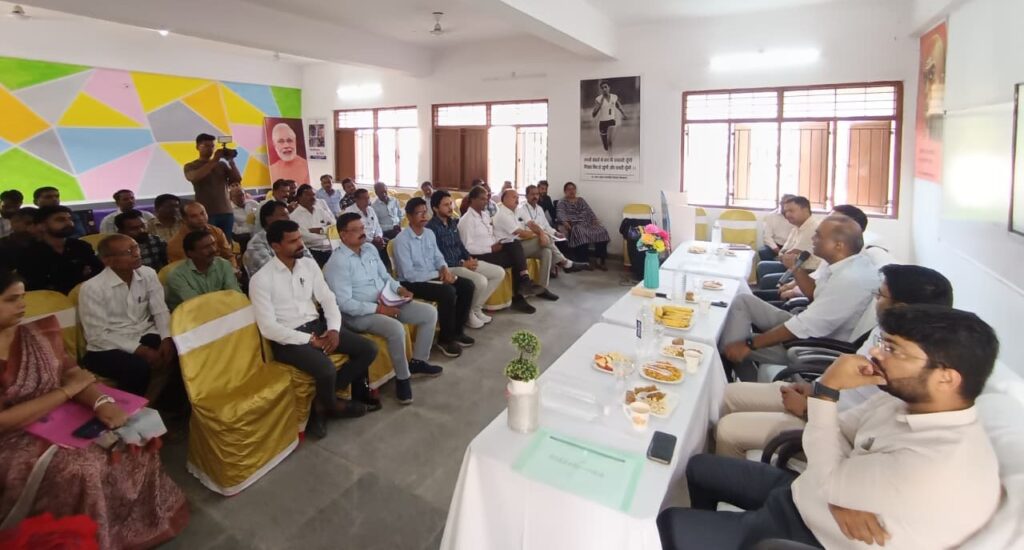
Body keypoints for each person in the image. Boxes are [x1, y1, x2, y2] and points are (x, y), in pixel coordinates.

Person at [658, 305, 1002, 550]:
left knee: (669, 522)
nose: (876, 354)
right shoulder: (903, 402)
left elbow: (831, 459)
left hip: (807, 535)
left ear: (946, 378)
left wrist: (827, 392)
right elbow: (839, 431)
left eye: (893, 350)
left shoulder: (937, 463)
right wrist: (839, 495)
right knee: (698, 467)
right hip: (807, 496)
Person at [0, 268, 189, 549]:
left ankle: (137, 524)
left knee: (134, 434)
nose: (22, 306)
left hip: (60, 414)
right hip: (13, 436)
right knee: (84, 468)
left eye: (22, 297)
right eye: (11, 299)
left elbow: (72, 373)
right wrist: (65, 392)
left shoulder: (37, 333)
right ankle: (89, 538)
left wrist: (101, 402)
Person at [715, 264, 954, 459]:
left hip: (831, 426)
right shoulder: (886, 330)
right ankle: (713, 465)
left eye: (880, 295)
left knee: (729, 430)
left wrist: (809, 408)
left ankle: (731, 484)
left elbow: (863, 427)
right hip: (820, 398)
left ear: (900, 308)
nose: (874, 300)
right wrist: (814, 389)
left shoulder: (913, 365)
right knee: (727, 394)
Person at [249, 220, 379, 439]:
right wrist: (310, 340)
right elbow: (269, 328)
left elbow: (327, 299)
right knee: (326, 369)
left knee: (368, 349)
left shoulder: (308, 266)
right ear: (276, 246)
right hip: (288, 338)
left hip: (317, 326)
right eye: (292, 241)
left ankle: (322, 402)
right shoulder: (261, 279)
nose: (300, 244)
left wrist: (334, 329)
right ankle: (331, 407)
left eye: (300, 238)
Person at [719, 215, 878, 381]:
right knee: (743, 301)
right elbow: (814, 294)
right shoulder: (841, 264)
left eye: (818, 236)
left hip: (814, 345)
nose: (813, 239)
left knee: (730, 341)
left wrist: (750, 344)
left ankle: (743, 384)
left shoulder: (850, 280)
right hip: (807, 323)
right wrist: (796, 268)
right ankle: (745, 379)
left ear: (838, 245)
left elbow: (806, 325)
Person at [325, 213, 442, 405]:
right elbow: (345, 304)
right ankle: (403, 379)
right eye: (356, 230)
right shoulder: (337, 263)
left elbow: (385, 276)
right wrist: (379, 309)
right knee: (395, 329)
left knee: (429, 313)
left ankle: (418, 362)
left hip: (387, 300)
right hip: (358, 314)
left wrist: (399, 289)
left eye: (362, 228)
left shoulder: (369, 249)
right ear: (343, 235)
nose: (362, 233)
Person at [79, 234, 176, 399]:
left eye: (136, 247)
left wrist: (167, 338)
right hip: (106, 346)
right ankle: (128, 408)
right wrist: (141, 350)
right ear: (108, 260)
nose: (137, 254)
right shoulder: (92, 288)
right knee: (137, 368)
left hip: (142, 332)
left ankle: (169, 403)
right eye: (128, 252)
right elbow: (97, 335)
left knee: (179, 348)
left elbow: (160, 310)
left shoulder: (148, 274)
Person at [394, 198, 476, 357]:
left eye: (425, 212)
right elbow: (409, 274)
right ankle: (445, 339)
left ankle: (457, 331)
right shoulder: (401, 240)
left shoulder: (429, 234)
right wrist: (440, 274)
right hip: (412, 282)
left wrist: (444, 268)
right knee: (448, 292)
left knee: (467, 285)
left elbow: (438, 257)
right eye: (419, 213)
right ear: (409, 216)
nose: (424, 216)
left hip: (433, 276)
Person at [427, 190, 505, 328]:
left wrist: (469, 258)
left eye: (451, 204)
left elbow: (460, 245)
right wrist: (462, 264)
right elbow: (438, 255)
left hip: (463, 262)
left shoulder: (452, 223)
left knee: (498, 272)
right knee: (481, 281)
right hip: (448, 267)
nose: (450, 207)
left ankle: (475, 308)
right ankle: (468, 313)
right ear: (435, 208)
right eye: (446, 205)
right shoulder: (431, 229)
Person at [459, 186, 538, 314]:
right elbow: (467, 247)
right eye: (482, 199)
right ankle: (520, 293)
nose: (485, 201)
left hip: (494, 248)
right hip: (480, 255)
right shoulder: (466, 220)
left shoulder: (485, 215)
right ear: (472, 199)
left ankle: (524, 281)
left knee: (514, 243)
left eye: (486, 198)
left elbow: (491, 234)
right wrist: (490, 248)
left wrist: (500, 241)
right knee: (516, 258)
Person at [492, 189, 559, 301]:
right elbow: (521, 233)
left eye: (518, 197)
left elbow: (532, 224)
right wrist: (540, 234)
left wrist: (541, 233)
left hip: (520, 245)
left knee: (546, 252)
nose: (517, 200)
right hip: (508, 249)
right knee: (544, 238)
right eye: (514, 197)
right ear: (504, 199)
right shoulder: (502, 214)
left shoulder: (518, 210)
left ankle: (542, 288)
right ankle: (563, 262)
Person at [17, 205, 103, 294]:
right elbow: (37, 285)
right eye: (60, 220)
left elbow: (98, 271)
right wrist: (79, 274)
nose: (68, 223)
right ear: (42, 226)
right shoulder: (29, 253)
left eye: (70, 219)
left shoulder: (81, 246)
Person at [183, 133, 241, 243]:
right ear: (197, 147)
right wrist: (214, 160)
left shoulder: (221, 165)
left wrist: (231, 161)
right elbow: (194, 177)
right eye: (206, 146)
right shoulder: (191, 166)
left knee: (227, 243)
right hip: (206, 213)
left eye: (212, 146)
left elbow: (237, 179)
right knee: (210, 242)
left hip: (226, 211)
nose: (210, 149)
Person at [165, 230, 241, 310]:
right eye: (206, 247)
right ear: (190, 253)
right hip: (189, 315)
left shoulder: (223, 264)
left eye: (213, 244)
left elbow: (235, 294)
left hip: (222, 311)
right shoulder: (176, 276)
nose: (213, 249)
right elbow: (197, 304)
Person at [517, 185, 586, 272]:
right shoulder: (521, 209)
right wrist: (542, 234)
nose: (535, 196)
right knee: (547, 237)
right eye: (532, 194)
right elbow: (526, 228)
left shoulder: (539, 209)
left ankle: (548, 276)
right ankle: (565, 263)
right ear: (526, 196)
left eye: (537, 194)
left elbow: (546, 226)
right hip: (528, 239)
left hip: (541, 238)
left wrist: (555, 233)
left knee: (547, 251)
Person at [756, 196, 821, 286]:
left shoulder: (814, 228)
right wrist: (784, 255)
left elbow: (795, 255)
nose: (787, 215)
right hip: (793, 266)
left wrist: (786, 255)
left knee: (767, 280)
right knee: (762, 266)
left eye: (791, 211)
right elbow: (784, 252)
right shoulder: (796, 227)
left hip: (808, 270)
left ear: (805, 210)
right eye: (786, 211)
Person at [244, 200, 312, 277]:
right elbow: (273, 273)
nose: (288, 218)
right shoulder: (256, 244)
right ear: (268, 219)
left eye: (288, 214)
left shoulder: (292, 237)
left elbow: (311, 263)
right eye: (283, 215)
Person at [556, 181, 611, 270]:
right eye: (569, 189)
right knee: (581, 232)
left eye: (573, 189)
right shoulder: (562, 202)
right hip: (575, 224)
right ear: (565, 191)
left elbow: (589, 211)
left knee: (602, 231)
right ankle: (584, 261)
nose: (572, 191)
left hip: (587, 223)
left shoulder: (581, 200)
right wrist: (565, 223)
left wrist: (594, 220)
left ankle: (600, 260)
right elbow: (560, 214)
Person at [166, 202, 236, 268]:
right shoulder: (175, 243)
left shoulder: (216, 231)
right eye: (194, 216)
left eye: (202, 213)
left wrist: (233, 270)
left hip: (222, 270)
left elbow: (228, 256)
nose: (201, 218)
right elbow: (182, 270)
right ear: (184, 219)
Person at [289, 184, 336, 266]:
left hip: (331, 251)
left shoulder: (320, 211)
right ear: (299, 198)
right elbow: (306, 238)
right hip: (311, 253)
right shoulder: (294, 216)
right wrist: (327, 235)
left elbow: (335, 227)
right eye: (308, 195)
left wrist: (321, 230)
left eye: (313, 195)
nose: (312, 197)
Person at [344, 188, 391, 270]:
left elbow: (377, 226)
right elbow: (355, 232)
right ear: (356, 199)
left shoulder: (370, 209)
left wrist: (379, 237)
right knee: (373, 248)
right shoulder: (349, 212)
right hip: (360, 241)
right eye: (364, 198)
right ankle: (373, 270)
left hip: (375, 239)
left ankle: (384, 269)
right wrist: (371, 241)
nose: (367, 200)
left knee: (388, 244)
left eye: (368, 198)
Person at [592, 80, 628, 152]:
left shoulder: (614, 97)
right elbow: (593, 114)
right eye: (602, 88)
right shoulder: (598, 99)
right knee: (605, 145)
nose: (604, 89)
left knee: (610, 141)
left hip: (611, 121)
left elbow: (618, 106)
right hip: (602, 123)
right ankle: (607, 147)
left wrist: (624, 114)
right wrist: (600, 105)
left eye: (605, 87)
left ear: (609, 88)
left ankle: (610, 156)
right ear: (601, 89)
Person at [760, 194, 796, 261]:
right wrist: (778, 251)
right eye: (783, 203)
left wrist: (788, 251)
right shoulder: (771, 216)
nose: (785, 206)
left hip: (792, 246)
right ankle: (772, 266)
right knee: (763, 251)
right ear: (780, 203)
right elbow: (767, 237)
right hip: (776, 245)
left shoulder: (797, 217)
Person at [229, 184, 259, 252]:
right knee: (245, 238)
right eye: (238, 196)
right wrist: (251, 230)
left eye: (242, 194)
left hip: (258, 230)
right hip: (244, 234)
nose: (241, 197)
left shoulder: (253, 203)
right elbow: (236, 230)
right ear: (231, 198)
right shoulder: (230, 211)